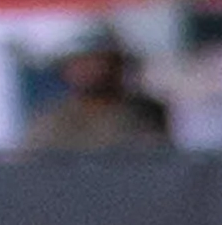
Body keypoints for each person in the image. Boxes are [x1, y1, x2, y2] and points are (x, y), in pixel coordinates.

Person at [27, 19, 171, 149]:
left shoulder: (145, 114)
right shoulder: (52, 121)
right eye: (78, 63)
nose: (87, 69)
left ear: (117, 64)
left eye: (97, 61)